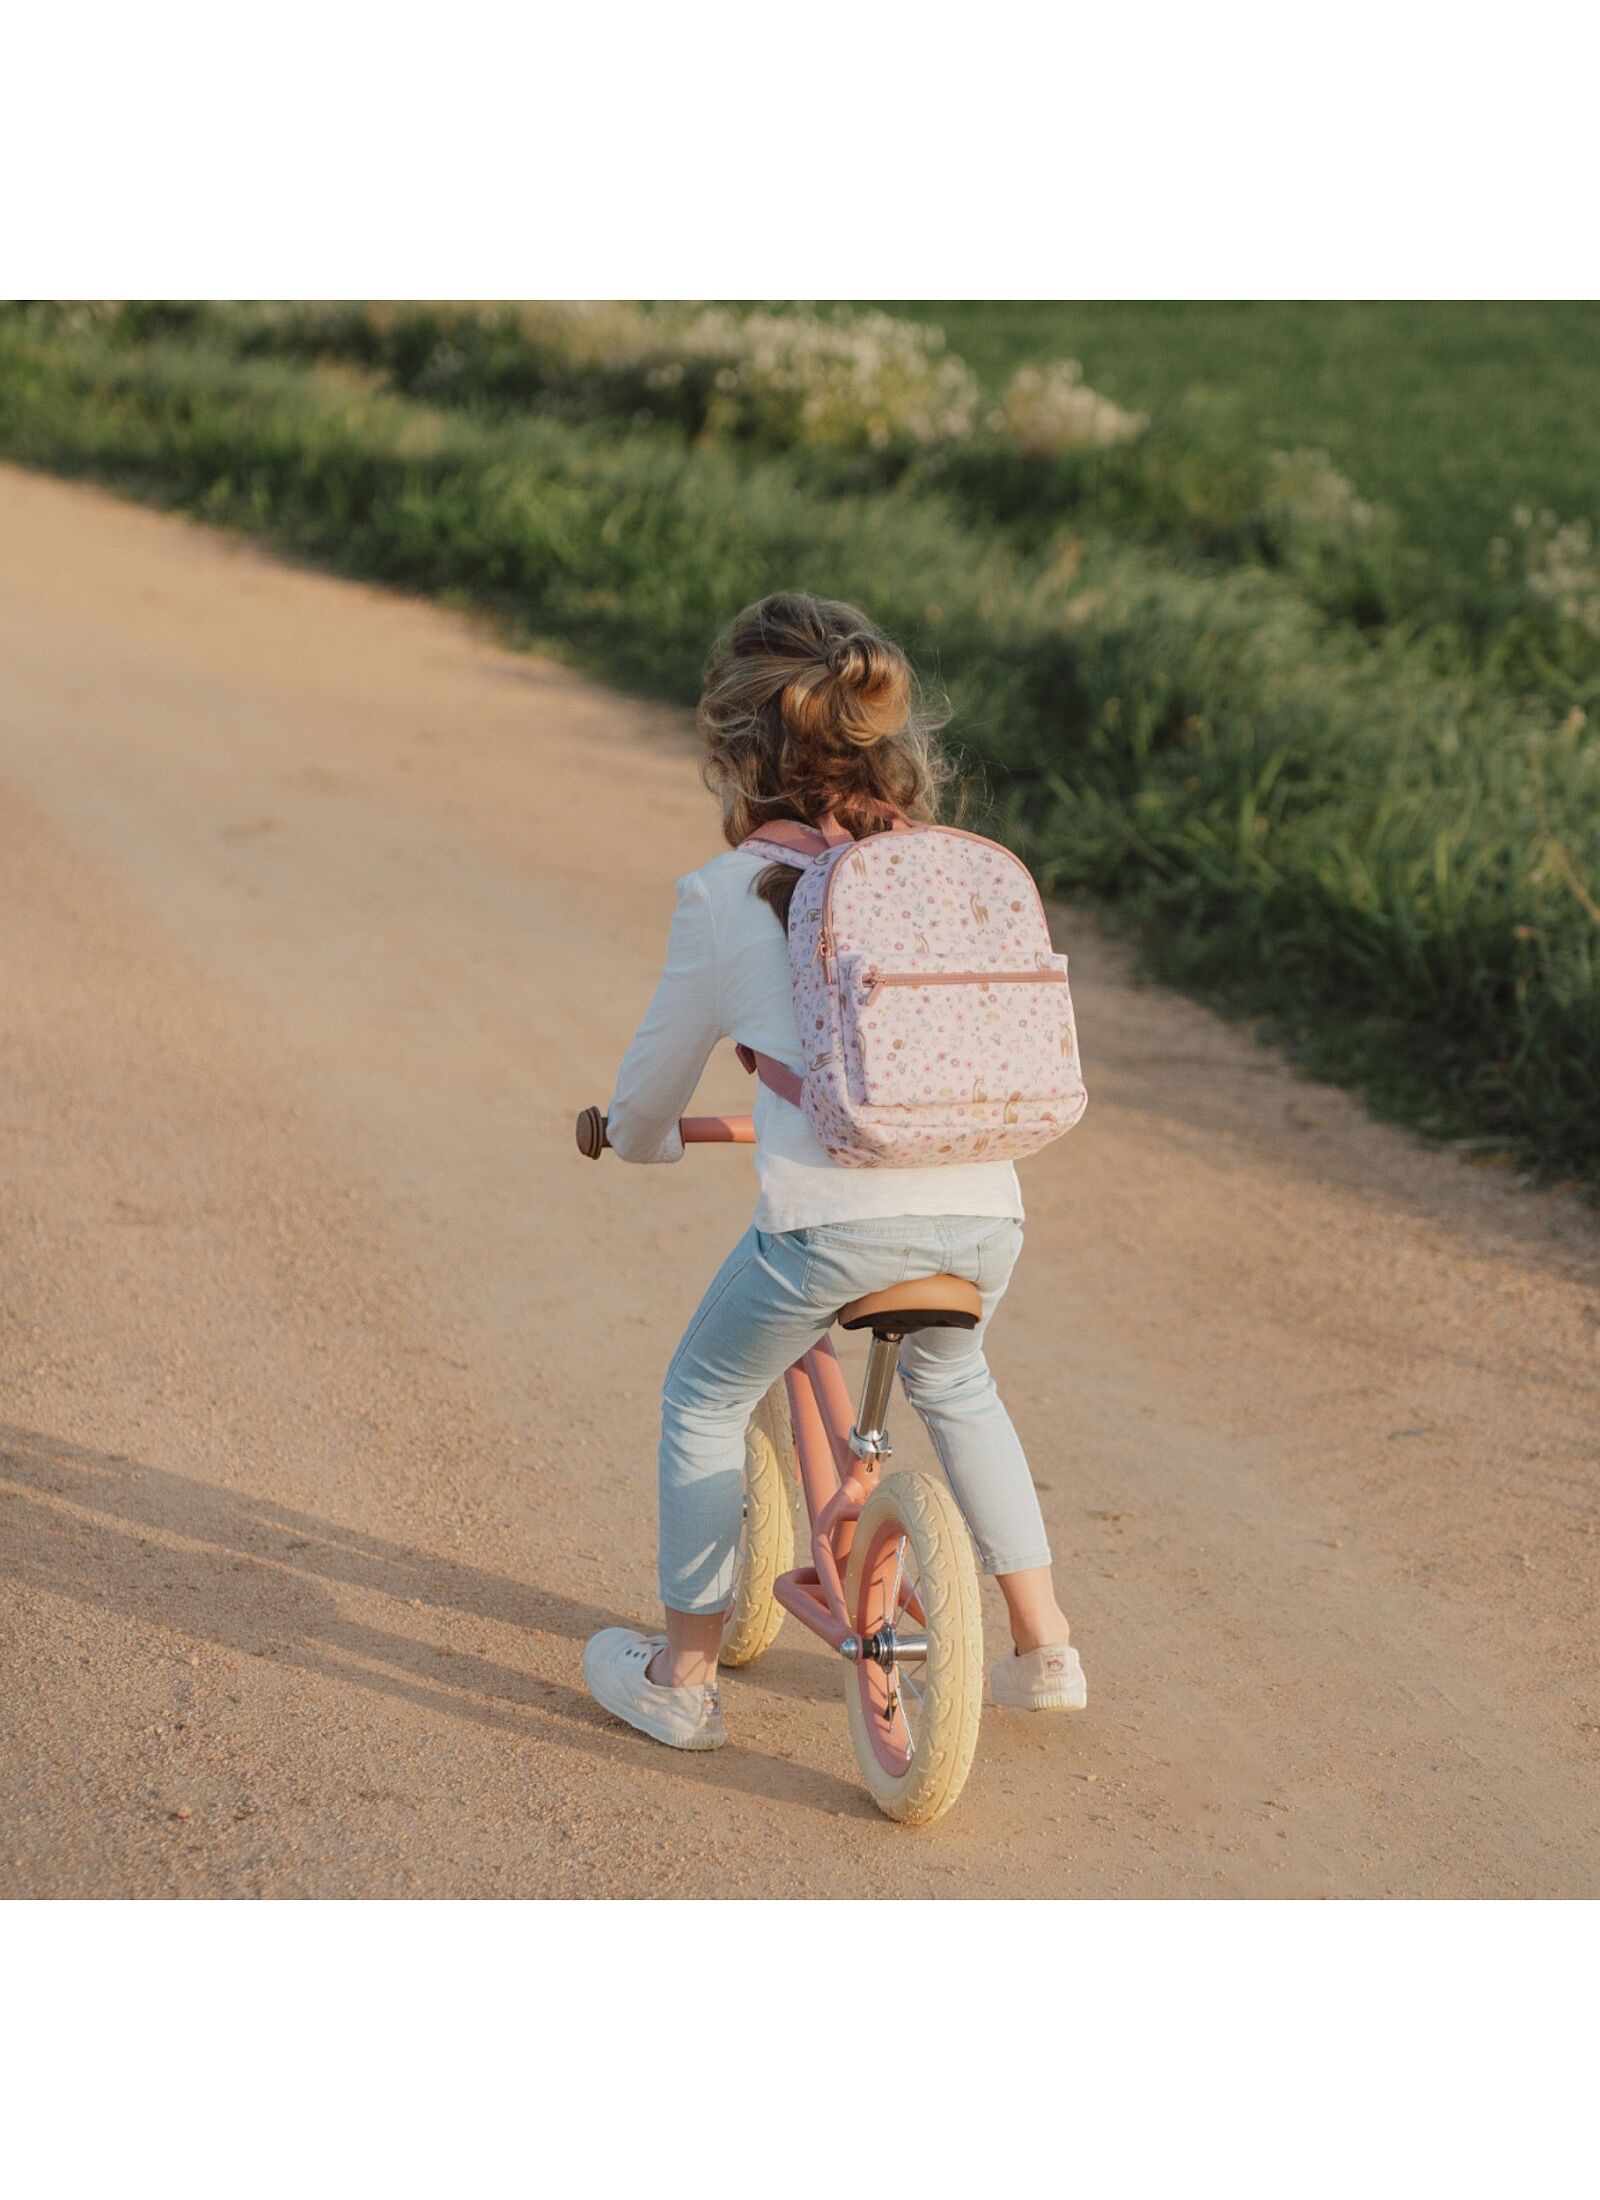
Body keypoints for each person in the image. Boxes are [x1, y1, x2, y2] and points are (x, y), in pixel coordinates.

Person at [582, 590, 1086, 1751]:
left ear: (732, 754)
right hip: (980, 1210)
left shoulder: (723, 896)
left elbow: (655, 1080)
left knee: (703, 1397)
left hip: (828, 1228)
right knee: (957, 1386)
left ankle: (682, 1675)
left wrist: (641, 1135)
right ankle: (1045, 1640)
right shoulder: (952, 874)